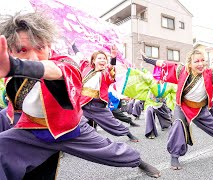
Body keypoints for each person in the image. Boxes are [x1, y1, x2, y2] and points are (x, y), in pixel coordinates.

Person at [0, 12, 160, 179]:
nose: (32, 57)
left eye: (40, 47)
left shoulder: (66, 64)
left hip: (72, 127)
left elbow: (56, 71)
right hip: (36, 130)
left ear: (49, 46)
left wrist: (19, 66)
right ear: (10, 50)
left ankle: (137, 160)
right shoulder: (87, 69)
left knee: (111, 150)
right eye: (22, 50)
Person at [76, 47, 140, 142]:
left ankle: (128, 134)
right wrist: (73, 46)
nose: (102, 60)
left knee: (112, 122)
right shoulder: (86, 68)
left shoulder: (105, 73)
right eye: (99, 58)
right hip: (82, 104)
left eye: (104, 59)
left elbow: (110, 68)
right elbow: (80, 55)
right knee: (73, 122)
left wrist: (113, 57)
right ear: (93, 61)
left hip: (97, 106)